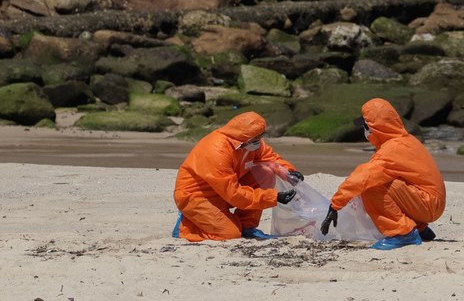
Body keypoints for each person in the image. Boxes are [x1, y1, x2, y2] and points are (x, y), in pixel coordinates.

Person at [319, 98, 446, 250]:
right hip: (431, 202)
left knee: (371, 186)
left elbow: (362, 178)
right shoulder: (406, 140)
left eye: (365, 126)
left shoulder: (390, 151)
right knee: (388, 181)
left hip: (428, 204)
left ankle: (402, 233)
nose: (364, 131)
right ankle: (420, 228)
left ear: (374, 128)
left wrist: (335, 205)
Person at [173, 111, 302, 242]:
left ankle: (247, 226)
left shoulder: (249, 141)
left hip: (223, 191)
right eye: (257, 138)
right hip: (196, 195)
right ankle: (185, 227)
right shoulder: (217, 151)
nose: (260, 141)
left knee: (266, 173)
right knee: (229, 234)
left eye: (261, 136)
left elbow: (269, 157)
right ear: (244, 138)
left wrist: (288, 171)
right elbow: (233, 194)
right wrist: (274, 197)